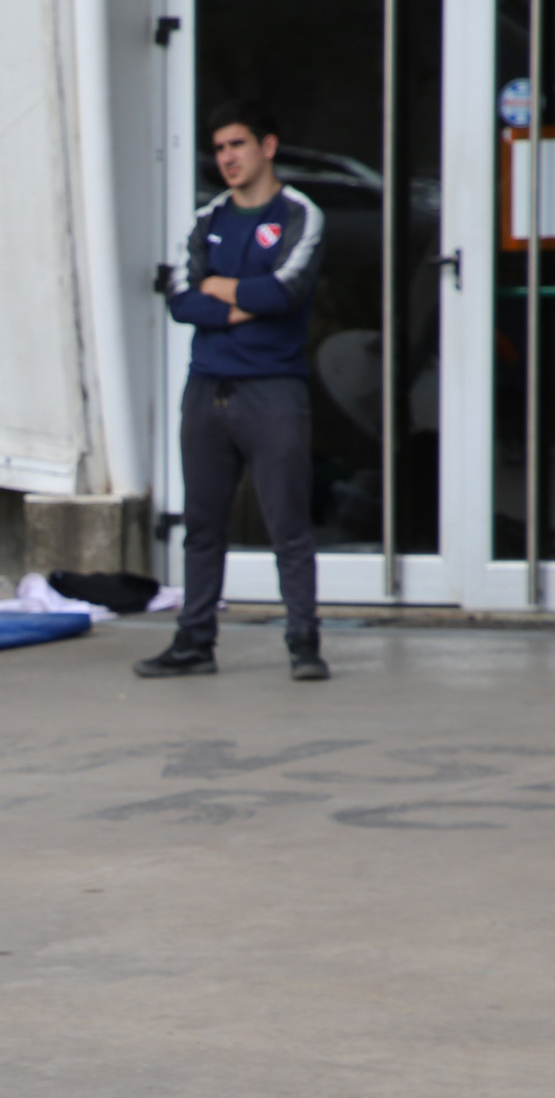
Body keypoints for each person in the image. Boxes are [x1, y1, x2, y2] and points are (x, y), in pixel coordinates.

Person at [139, 98, 329, 683]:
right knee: (203, 524)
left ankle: (303, 643)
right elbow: (180, 300)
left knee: (286, 524)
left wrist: (220, 291)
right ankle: (195, 641)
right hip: (207, 389)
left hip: (274, 391)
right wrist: (241, 297)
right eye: (219, 149)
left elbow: (286, 294)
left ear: (267, 146)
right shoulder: (207, 219)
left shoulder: (300, 214)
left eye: (237, 145)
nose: (227, 158)